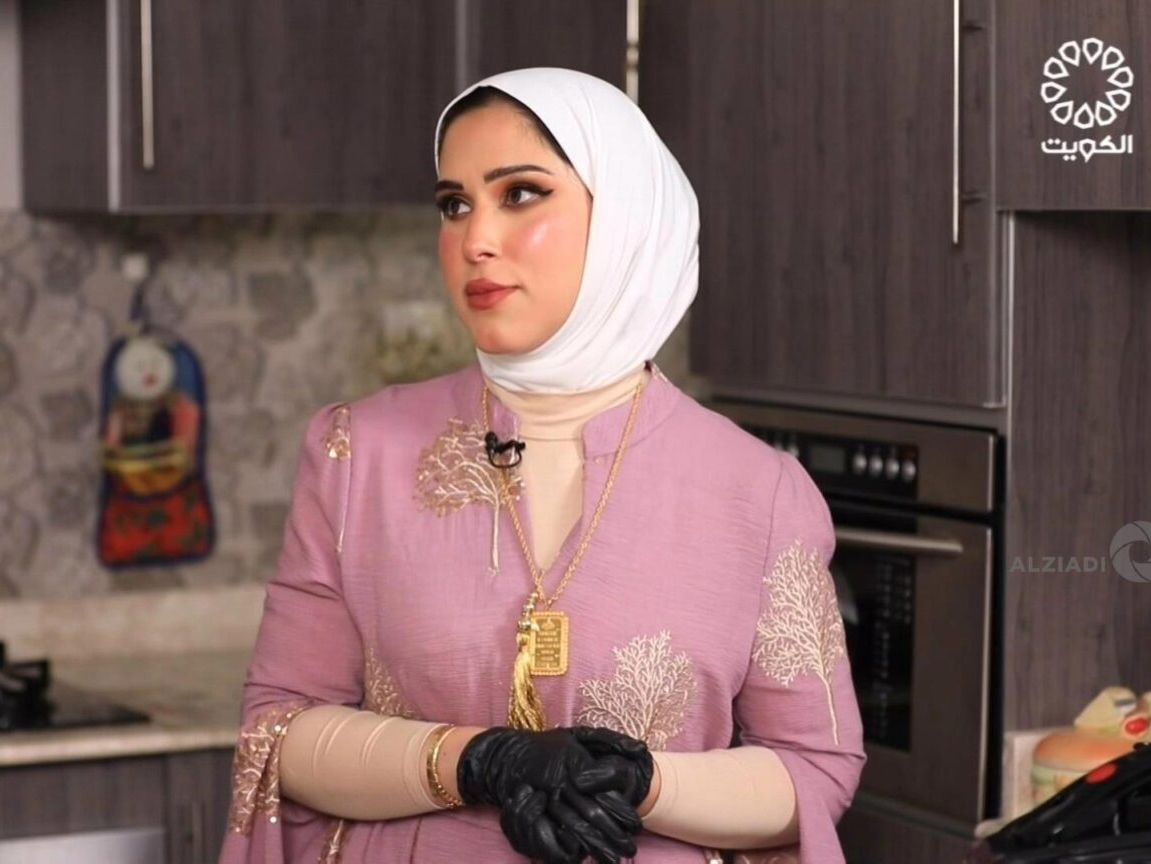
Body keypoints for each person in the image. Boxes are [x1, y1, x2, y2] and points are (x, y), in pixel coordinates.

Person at [217, 67, 864, 864]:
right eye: (454, 204)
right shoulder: (356, 453)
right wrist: (477, 762)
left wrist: (643, 783)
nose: (475, 240)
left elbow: (814, 768)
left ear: (625, 214)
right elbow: (278, 730)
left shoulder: (758, 492)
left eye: (520, 193)